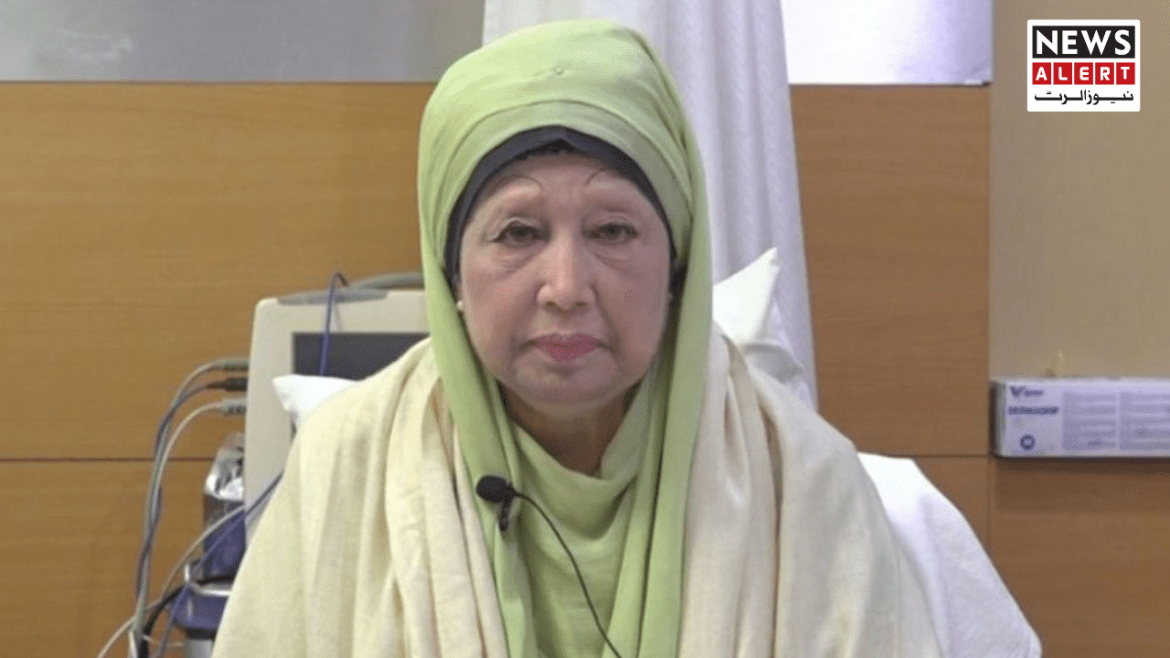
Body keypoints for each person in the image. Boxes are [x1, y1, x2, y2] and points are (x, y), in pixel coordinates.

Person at [212, 18, 943, 658]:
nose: (566, 286)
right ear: (451, 276)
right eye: (519, 233)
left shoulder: (805, 487)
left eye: (613, 231)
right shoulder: (348, 464)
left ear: (677, 266)